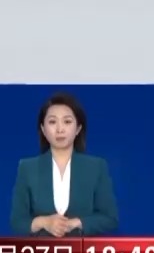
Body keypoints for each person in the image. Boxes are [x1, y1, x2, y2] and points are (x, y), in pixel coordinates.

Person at [10, 92, 119, 236]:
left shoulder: (96, 167)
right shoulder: (27, 168)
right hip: (42, 250)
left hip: (83, 249)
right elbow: (17, 222)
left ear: (78, 128)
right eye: (52, 122)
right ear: (43, 129)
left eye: (67, 122)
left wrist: (78, 223)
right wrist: (44, 222)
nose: (60, 129)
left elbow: (110, 218)